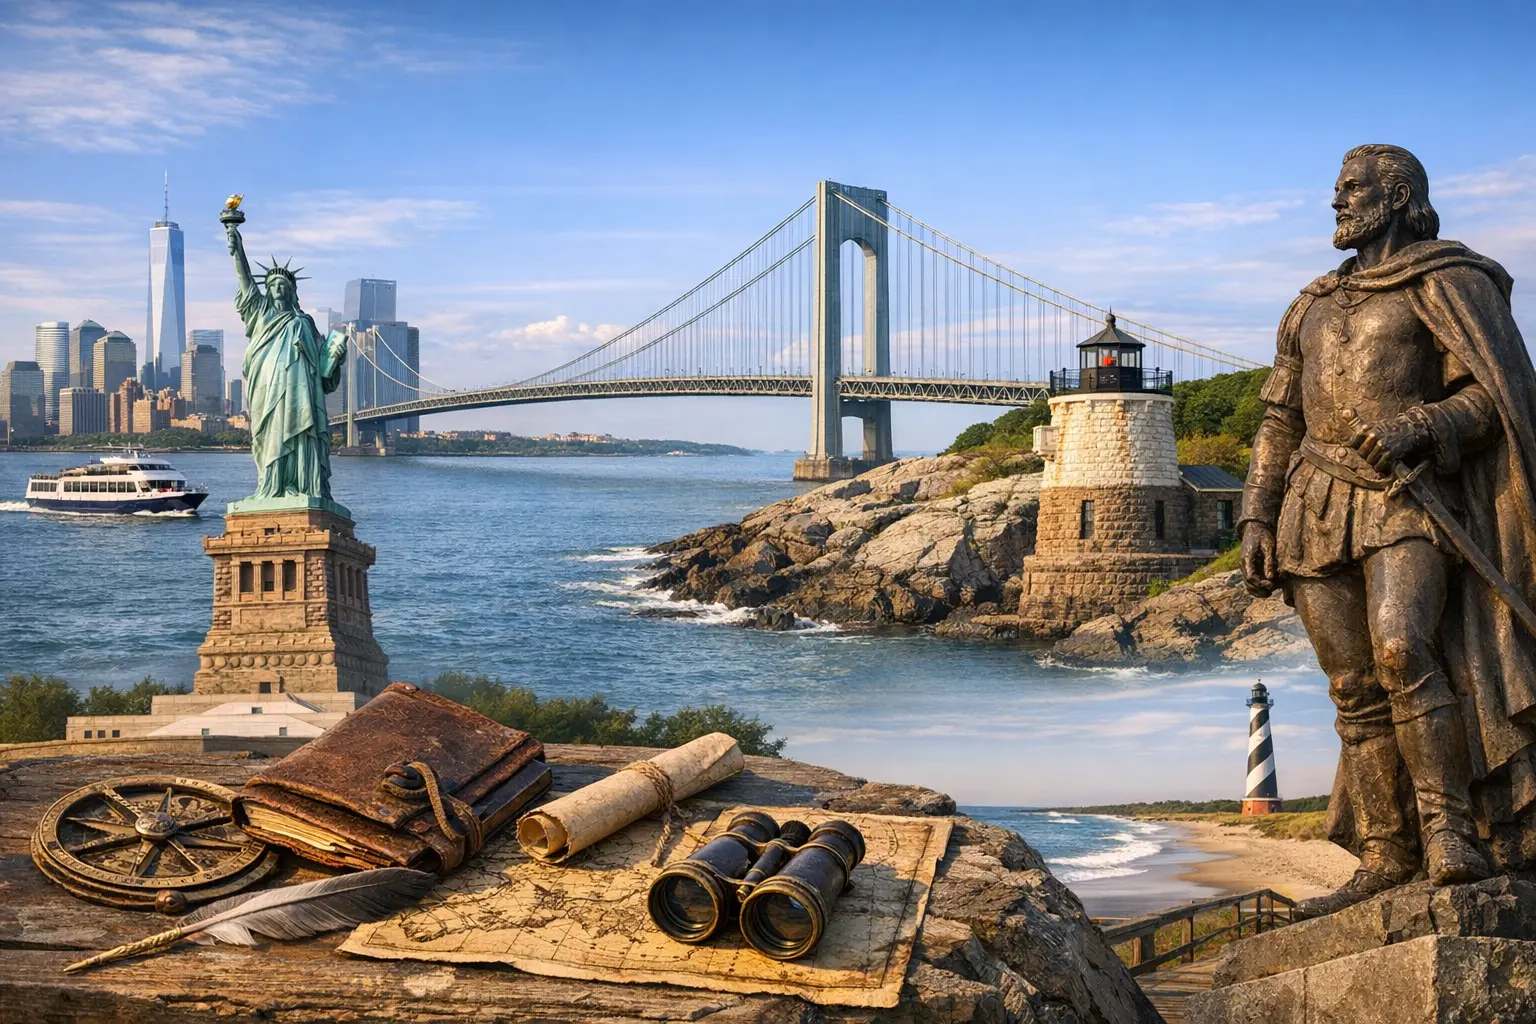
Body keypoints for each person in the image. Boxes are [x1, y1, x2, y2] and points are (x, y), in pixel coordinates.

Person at [1242, 144, 1536, 917]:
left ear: (1397, 194)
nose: (1335, 202)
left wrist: (1422, 424)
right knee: (1352, 690)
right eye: (1334, 190)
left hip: (1406, 496)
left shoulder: (1451, 283)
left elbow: (1493, 399)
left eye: (1351, 190)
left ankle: (1450, 836)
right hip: (1312, 502)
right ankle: (1385, 852)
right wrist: (1255, 514)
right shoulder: (1308, 305)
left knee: (1405, 649)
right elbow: (1278, 420)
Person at [224, 217, 347, 503]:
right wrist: (236, 245)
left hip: (300, 390)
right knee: (270, 435)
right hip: (266, 387)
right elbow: (244, 281)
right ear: (267, 290)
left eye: (283, 285)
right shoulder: (260, 313)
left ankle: (303, 486)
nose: (278, 288)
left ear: (292, 291)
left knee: (302, 433)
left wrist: (336, 359)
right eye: (273, 284)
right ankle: (272, 486)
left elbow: (323, 371)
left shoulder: (305, 321)